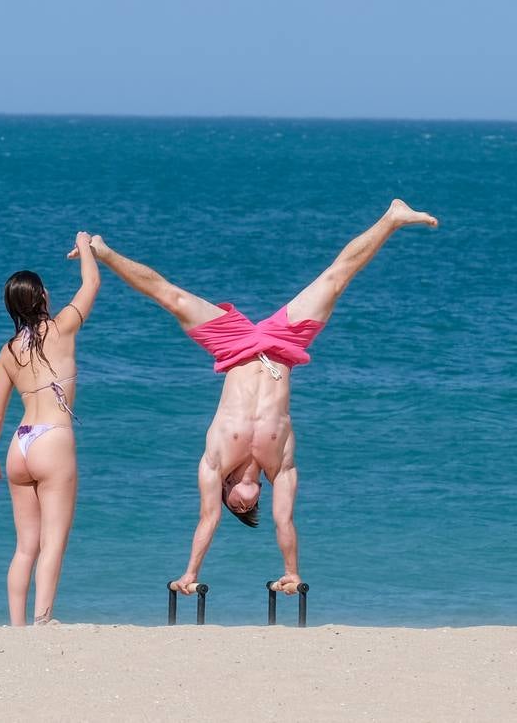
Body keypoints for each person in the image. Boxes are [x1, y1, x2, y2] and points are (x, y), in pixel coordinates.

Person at [88, 199, 438, 593]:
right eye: (251, 507)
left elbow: (207, 520)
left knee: (172, 297)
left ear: (226, 492)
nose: (246, 505)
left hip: (233, 344)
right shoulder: (281, 466)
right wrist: (292, 571)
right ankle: (391, 218)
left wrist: (189, 574)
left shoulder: (214, 465)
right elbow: (284, 520)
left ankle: (102, 251)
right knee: (334, 280)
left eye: (239, 507)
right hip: (281, 345)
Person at [0, 232, 100, 625]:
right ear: (41, 297)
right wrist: (85, 246)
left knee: (24, 547)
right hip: (52, 438)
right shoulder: (62, 326)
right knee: (53, 541)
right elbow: (91, 284)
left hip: (20, 443)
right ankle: (43, 619)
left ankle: (16, 627)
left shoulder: (8, 351)